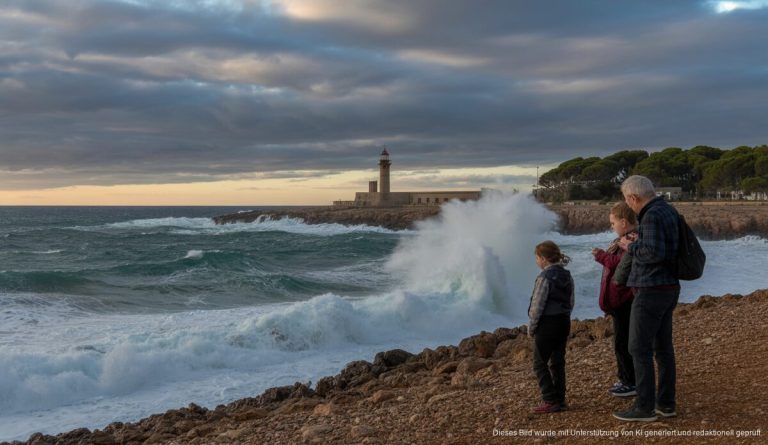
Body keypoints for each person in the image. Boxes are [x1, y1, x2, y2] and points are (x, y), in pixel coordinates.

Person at [613, 175, 680, 422]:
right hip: (669, 286)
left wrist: (629, 247)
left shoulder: (650, 215)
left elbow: (653, 253)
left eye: (627, 200)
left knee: (638, 348)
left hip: (651, 288)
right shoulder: (668, 210)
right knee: (663, 348)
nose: (628, 205)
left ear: (633, 197)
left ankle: (644, 407)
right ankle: (666, 404)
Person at [591, 202, 638, 398]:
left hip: (624, 301)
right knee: (623, 341)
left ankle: (629, 382)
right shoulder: (625, 240)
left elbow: (620, 265)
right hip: (622, 300)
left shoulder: (630, 241)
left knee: (622, 342)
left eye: (613, 223)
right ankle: (627, 379)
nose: (611, 226)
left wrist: (601, 255)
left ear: (623, 222)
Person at [528, 240, 574, 414]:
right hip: (563, 321)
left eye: (537, 258)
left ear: (543, 259)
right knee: (557, 361)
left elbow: (537, 305)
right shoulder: (567, 275)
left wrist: (531, 327)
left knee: (539, 364)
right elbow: (571, 301)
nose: (536, 261)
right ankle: (560, 400)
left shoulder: (544, 277)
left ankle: (549, 399)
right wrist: (565, 316)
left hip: (547, 324)